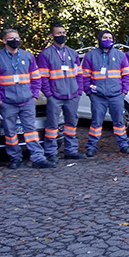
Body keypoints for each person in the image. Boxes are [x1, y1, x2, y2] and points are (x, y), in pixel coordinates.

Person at [0, 29, 54, 169]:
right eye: (11, 38)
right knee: (10, 133)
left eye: (17, 37)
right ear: (4, 40)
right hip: (8, 102)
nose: (15, 40)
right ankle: (15, 158)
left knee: (31, 131)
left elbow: (36, 78)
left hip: (27, 100)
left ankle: (38, 158)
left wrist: (34, 95)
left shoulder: (27, 56)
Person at [37, 23, 85, 163]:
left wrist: (79, 90)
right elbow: (43, 77)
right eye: (58, 33)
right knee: (52, 125)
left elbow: (79, 74)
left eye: (63, 32)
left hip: (72, 94)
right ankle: (51, 152)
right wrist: (49, 94)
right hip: (55, 96)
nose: (62, 35)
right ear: (52, 35)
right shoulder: (45, 54)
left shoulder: (72, 53)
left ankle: (71, 150)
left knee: (71, 124)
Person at [82, 30, 129, 157]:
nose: (107, 39)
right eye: (105, 37)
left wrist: (124, 92)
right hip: (98, 96)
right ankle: (92, 146)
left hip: (116, 95)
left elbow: (127, 75)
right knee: (96, 122)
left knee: (119, 122)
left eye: (110, 37)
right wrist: (89, 92)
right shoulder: (90, 55)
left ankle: (123, 144)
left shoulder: (120, 55)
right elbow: (85, 76)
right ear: (99, 39)